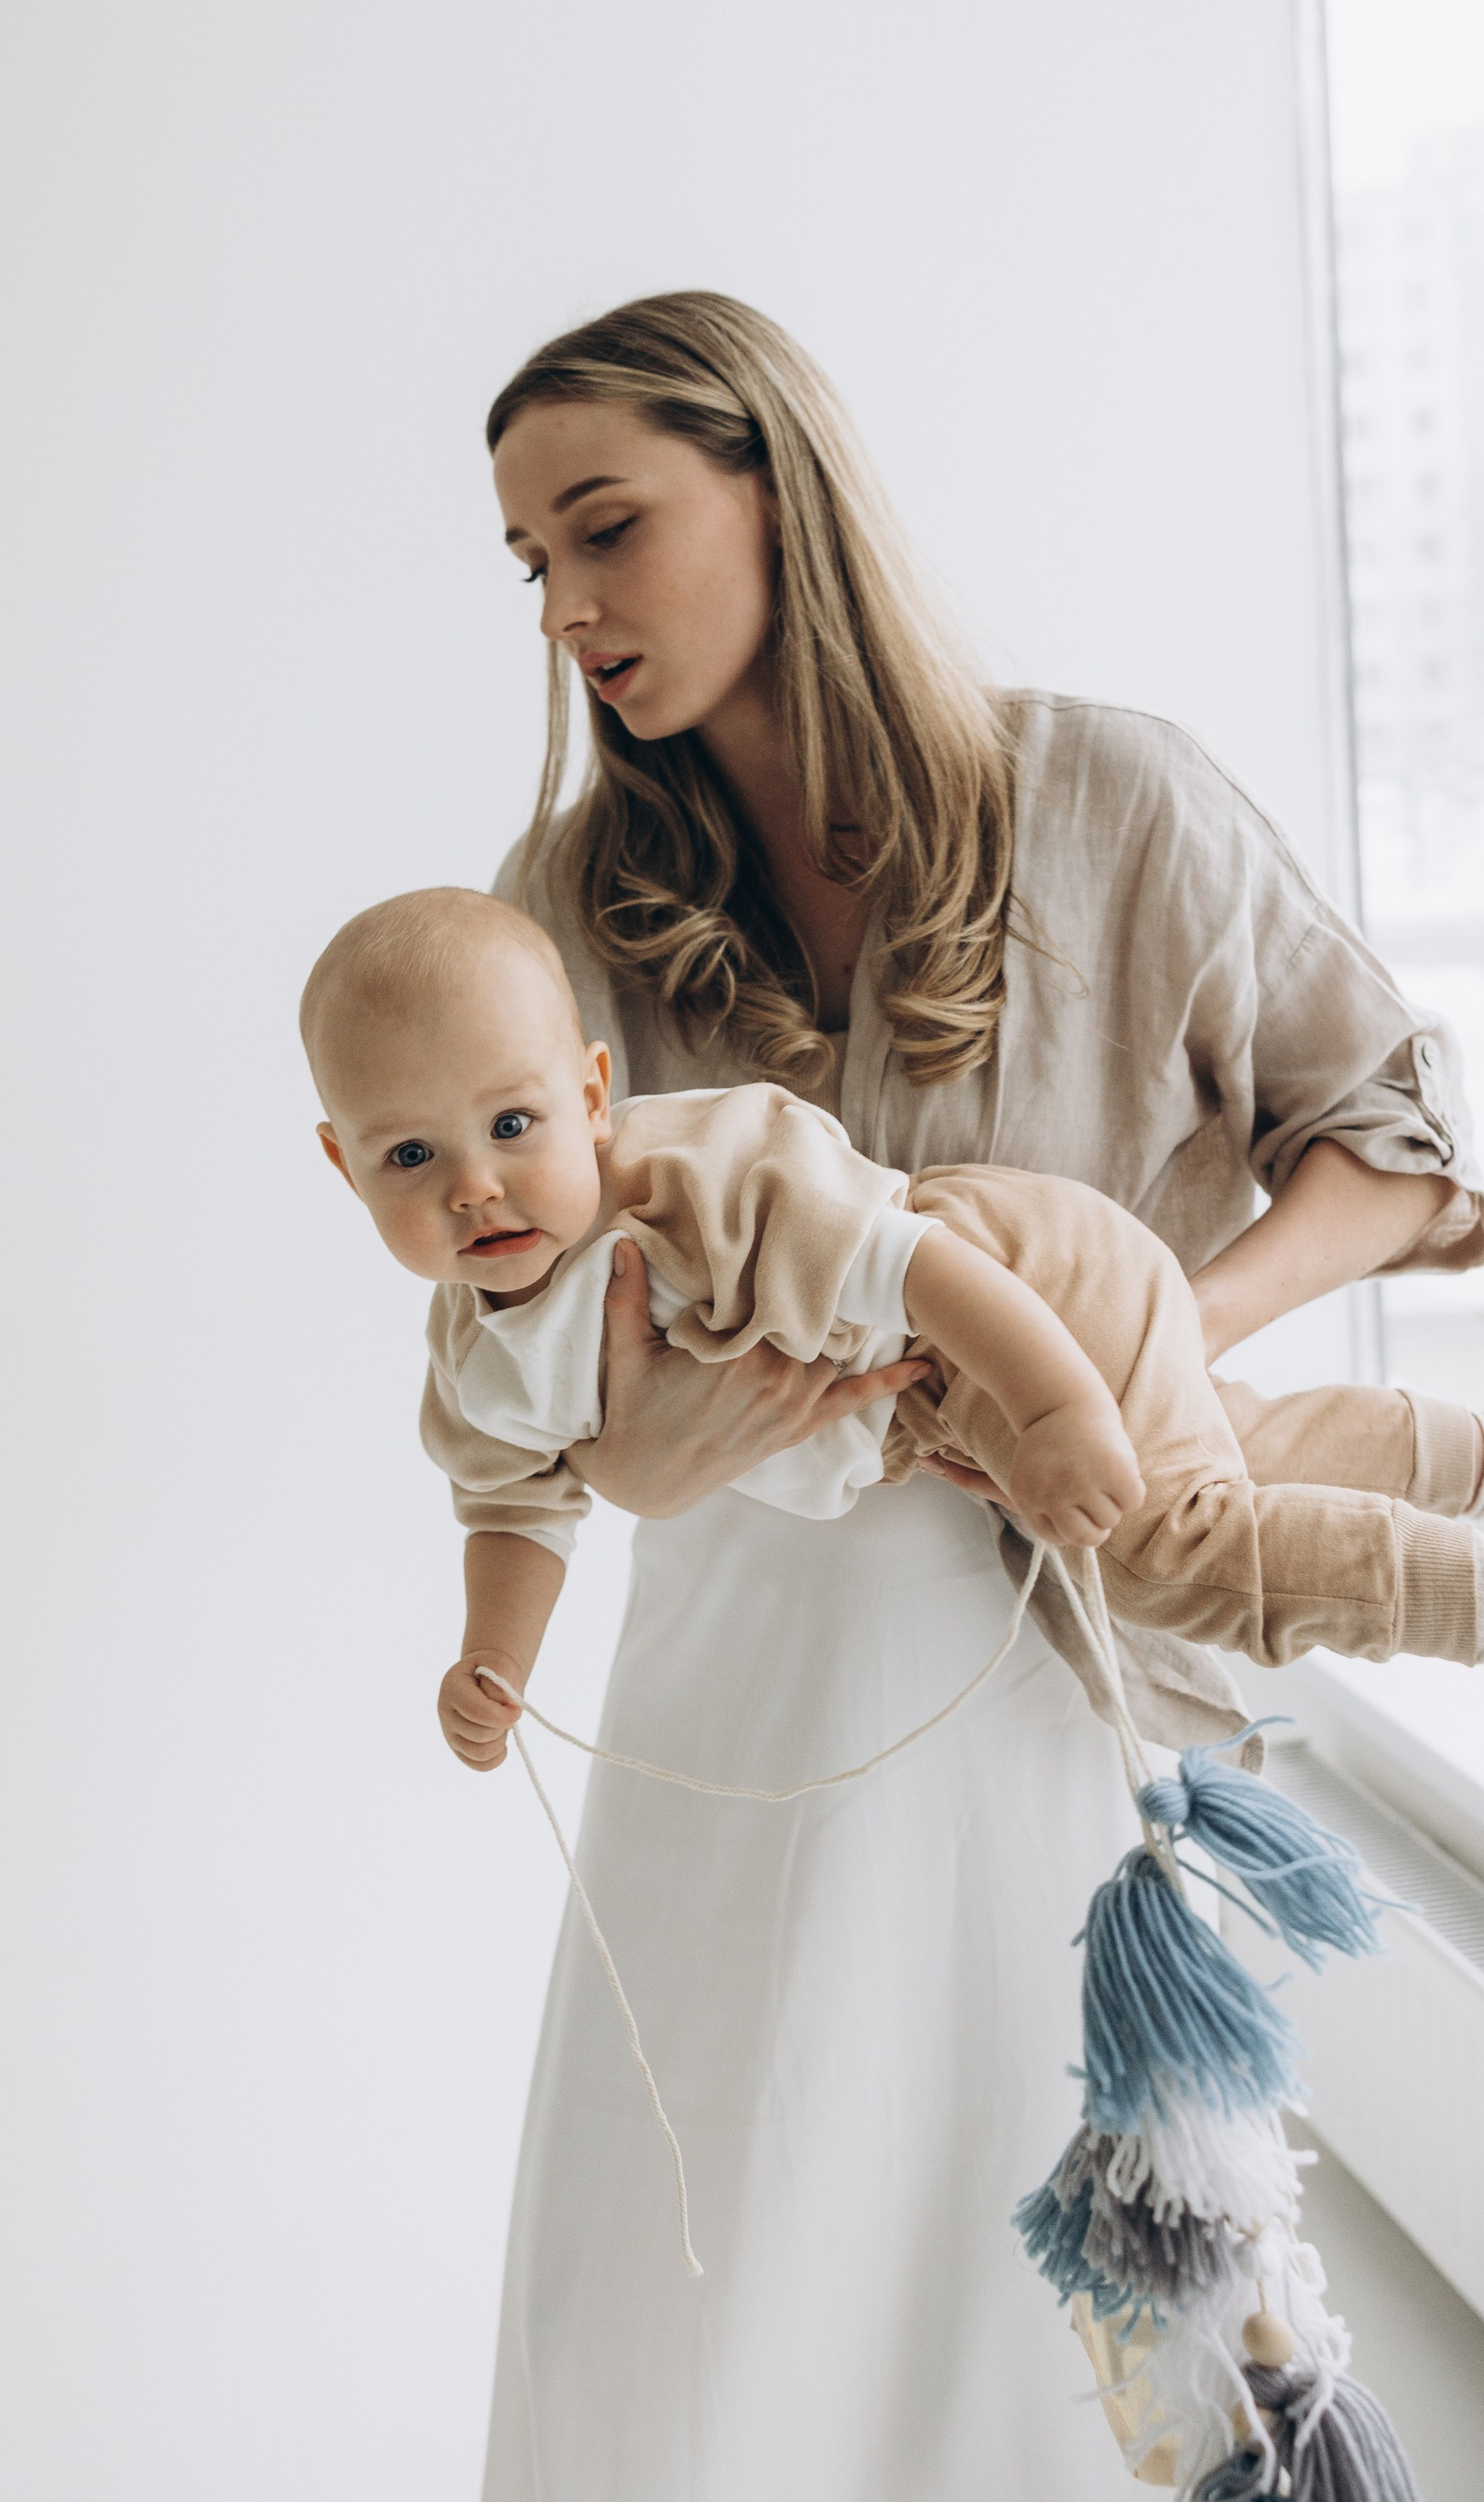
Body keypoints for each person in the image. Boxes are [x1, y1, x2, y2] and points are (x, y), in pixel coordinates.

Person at [454, 290, 1479, 2501]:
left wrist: (1146, 1342)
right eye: (532, 562)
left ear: (774, 486)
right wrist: (629, 1455)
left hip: (1069, 1681)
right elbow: (541, 1365)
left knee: (1070, 2317)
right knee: (717, 2279)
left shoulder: (1112, 794)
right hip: (746, 1696)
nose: (571, 610)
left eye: (607, 529)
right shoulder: (565, 916)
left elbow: (1399, 1149)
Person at [298, 886, 1484, 1680]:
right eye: (413, 1156)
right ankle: (1458, 1458)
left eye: (513, 1124)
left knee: (1159, 1551)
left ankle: (1460, 1600)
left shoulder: (689, 1184)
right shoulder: (470, 1370)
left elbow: (916, 1268)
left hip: (1006, 1279)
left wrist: (1055, 1410)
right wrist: (494, 1665)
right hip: (961, 1362)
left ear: (595, 1098)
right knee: (1240, 1442)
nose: (476, 1188)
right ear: (344, 1166)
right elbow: (515, 1508)